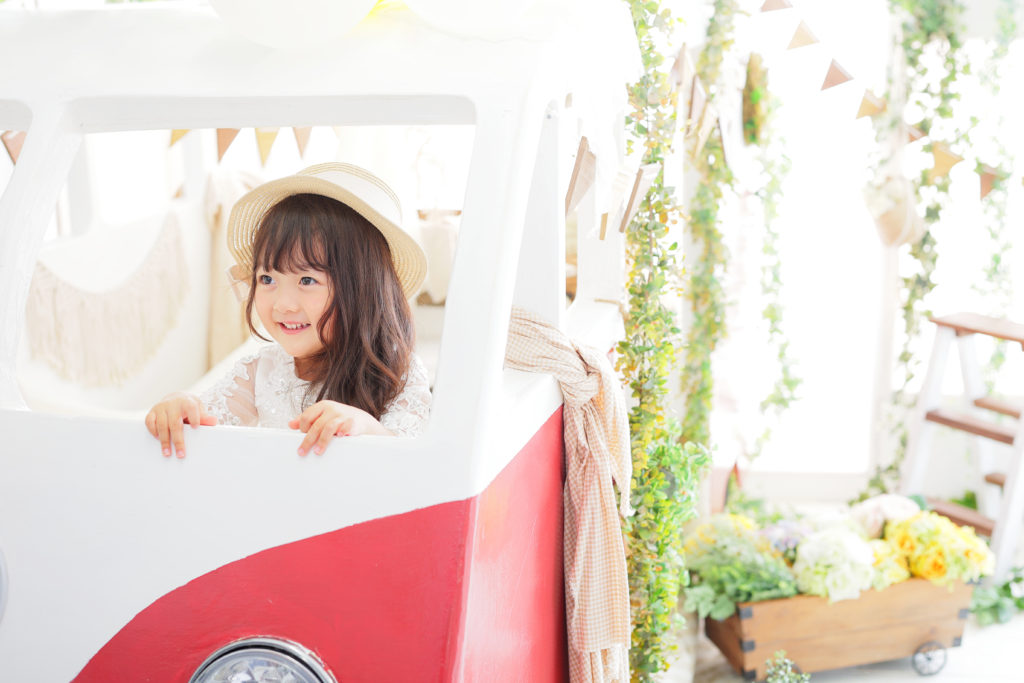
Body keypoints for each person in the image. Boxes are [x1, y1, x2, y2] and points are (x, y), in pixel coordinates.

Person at [145, 162, 431, 458]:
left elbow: (412, 461)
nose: (283, 304)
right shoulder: (260, 372)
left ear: (364, 289)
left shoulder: (401, 374)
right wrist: (181, 408)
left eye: (307, 280)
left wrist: (366, 428)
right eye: (267, 279)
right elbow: (204, 424)